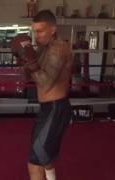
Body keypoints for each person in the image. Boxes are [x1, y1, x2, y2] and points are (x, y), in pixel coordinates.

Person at [11, 10, 72, 180]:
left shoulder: (58, 49)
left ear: (53, 29)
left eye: (40, 31)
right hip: (47, 109)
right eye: (34, 31)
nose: (36, 35)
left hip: (55, 108)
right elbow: (28, 77)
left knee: (35, 161)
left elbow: (45, 83)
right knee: (45, 155)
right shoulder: (43, 48)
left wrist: (31, 61)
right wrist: (23, 59)